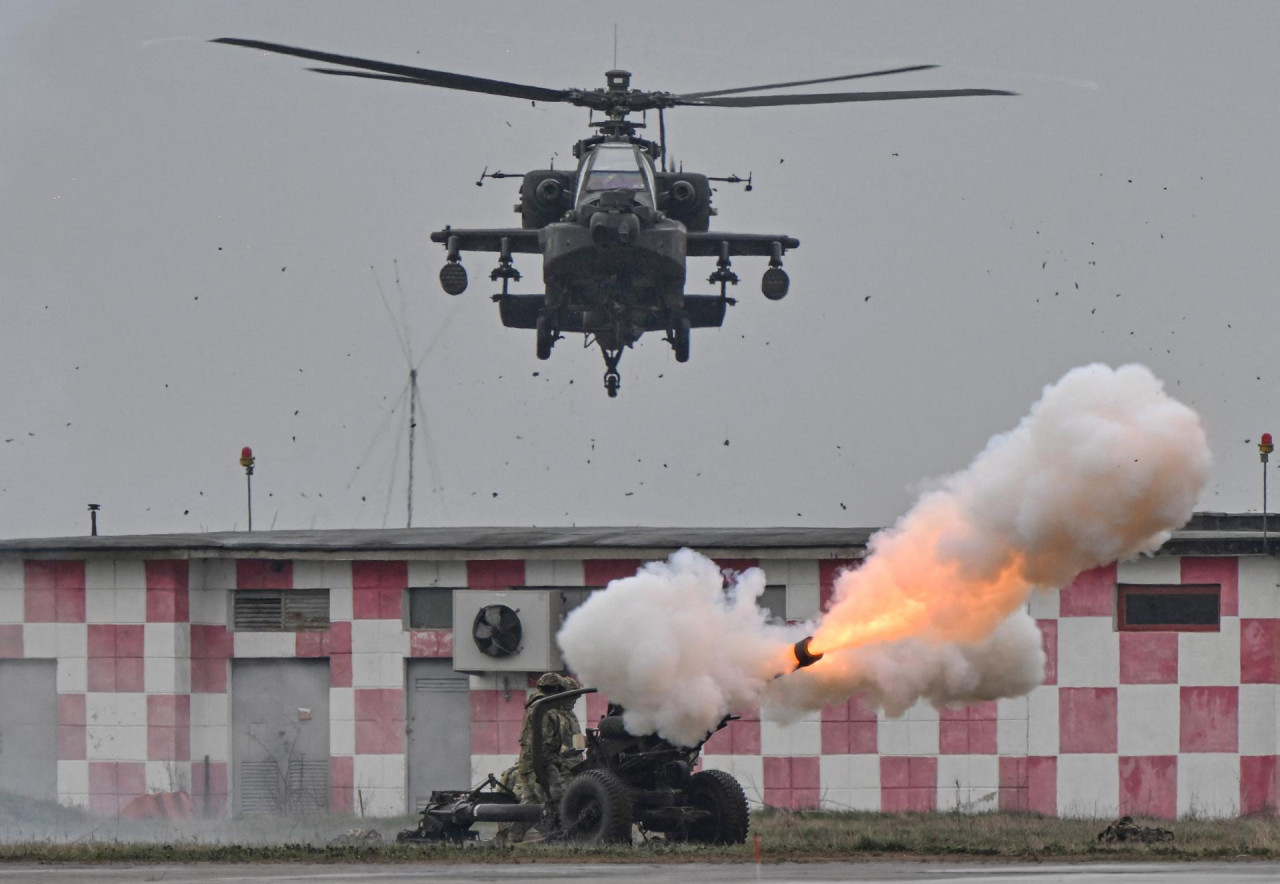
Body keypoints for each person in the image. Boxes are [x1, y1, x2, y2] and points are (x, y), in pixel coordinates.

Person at [496, 672, 582, 844]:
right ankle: (559, 837)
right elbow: (542, 742)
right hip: (544, 764)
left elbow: (576, 742)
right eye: (570, 697)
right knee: (553, 800)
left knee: (533, 803)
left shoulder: (559, 713)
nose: (571, 702)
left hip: (551, 763)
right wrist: (556, 762)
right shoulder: (543, 708)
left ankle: (511, 837)